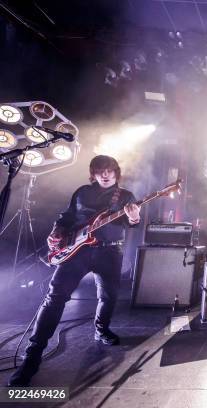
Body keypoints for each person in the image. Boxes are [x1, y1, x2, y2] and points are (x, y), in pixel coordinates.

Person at [8, 155, 141, 386]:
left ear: (116, 172)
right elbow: (67, 216)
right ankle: (32, 357)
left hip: (109, 252)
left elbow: (131, 223)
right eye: (100, 171)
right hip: (76, 251)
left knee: (108, 296)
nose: (105, 174)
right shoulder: (82, 192)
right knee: (54, 298)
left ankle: (101, 329)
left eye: (109, 170)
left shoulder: (126, 196)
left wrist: (134, 216)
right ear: (93, 173)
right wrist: (56, 230)